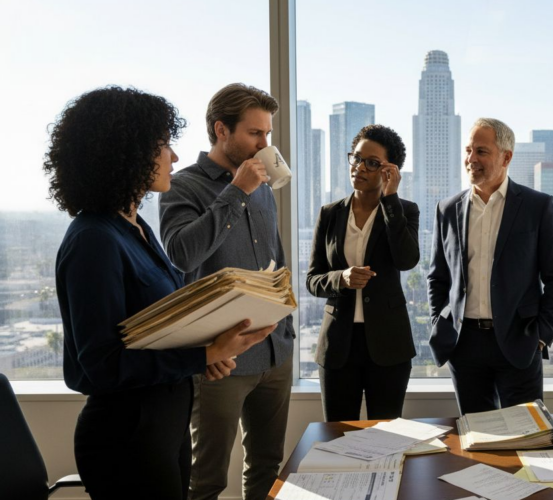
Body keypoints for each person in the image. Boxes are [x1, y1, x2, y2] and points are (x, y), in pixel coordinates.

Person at [45, 86, 274, 500]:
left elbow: (154, 330)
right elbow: (101, 366)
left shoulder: (134, 228)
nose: (174, 157)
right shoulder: (94, 240)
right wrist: (202, 355)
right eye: (164, 145)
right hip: (127, 437)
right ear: (127, 153)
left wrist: (203, 355)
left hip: (163, 425)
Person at [159, 83, 295, 500]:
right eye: (255, 133)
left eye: (267, 134)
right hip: (221, 359)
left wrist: (286, 327)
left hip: (274, 352)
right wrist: (236, 191)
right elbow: (183, 255)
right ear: (222, 130)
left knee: (268, 467)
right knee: (206, 479)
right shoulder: (183, 186)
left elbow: (275, 259)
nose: (264, 144)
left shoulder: (264, 186)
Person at [427, 117, 553, 415]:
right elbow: (437, 277)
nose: (471, 159)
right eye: (468, 150)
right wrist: (438, 322)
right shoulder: (447, 209)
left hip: (519, 343)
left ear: (506, 157)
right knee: (477, 435)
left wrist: (541, 337)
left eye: (481, 151)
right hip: (464, 345)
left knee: (526, 433)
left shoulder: (537, 206)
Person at [306, 124, 419, 421]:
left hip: (389, 344)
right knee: (338, 434)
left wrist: (390, 199)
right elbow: (312, 280)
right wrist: (340, 278)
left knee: (387, 435)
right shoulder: (329, 214)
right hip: (338, 345)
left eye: (372, 162)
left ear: (389, 170)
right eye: (356, 158)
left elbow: (406, 260)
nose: (359, 167)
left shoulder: (405, 210)